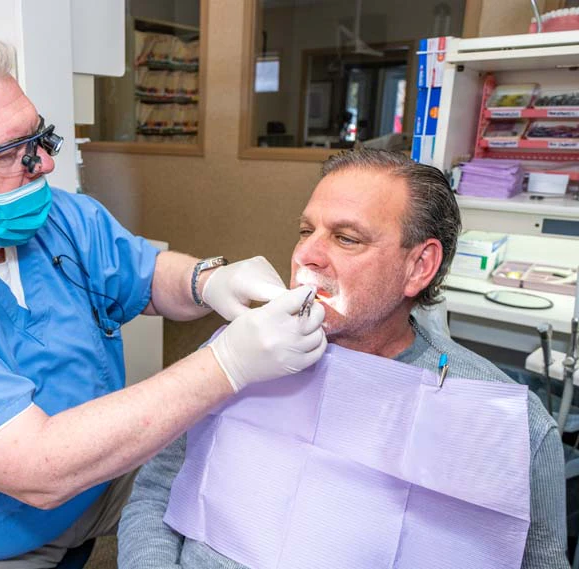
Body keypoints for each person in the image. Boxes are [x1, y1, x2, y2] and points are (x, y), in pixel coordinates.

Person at [0, 35, 328, 568]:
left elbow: (142, 275)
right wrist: (226, 364)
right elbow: (38, 468)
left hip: (94, 482)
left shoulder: (59, 219)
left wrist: (207, 280)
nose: (45, 164)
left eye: (42, 137)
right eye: (17, 153)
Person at [118, 149, 569, 569]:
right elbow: (154, 494)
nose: (306, 255)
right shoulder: (240, 354)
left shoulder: (505, 424)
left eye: (347, 238)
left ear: (419, 267)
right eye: (305, 230)